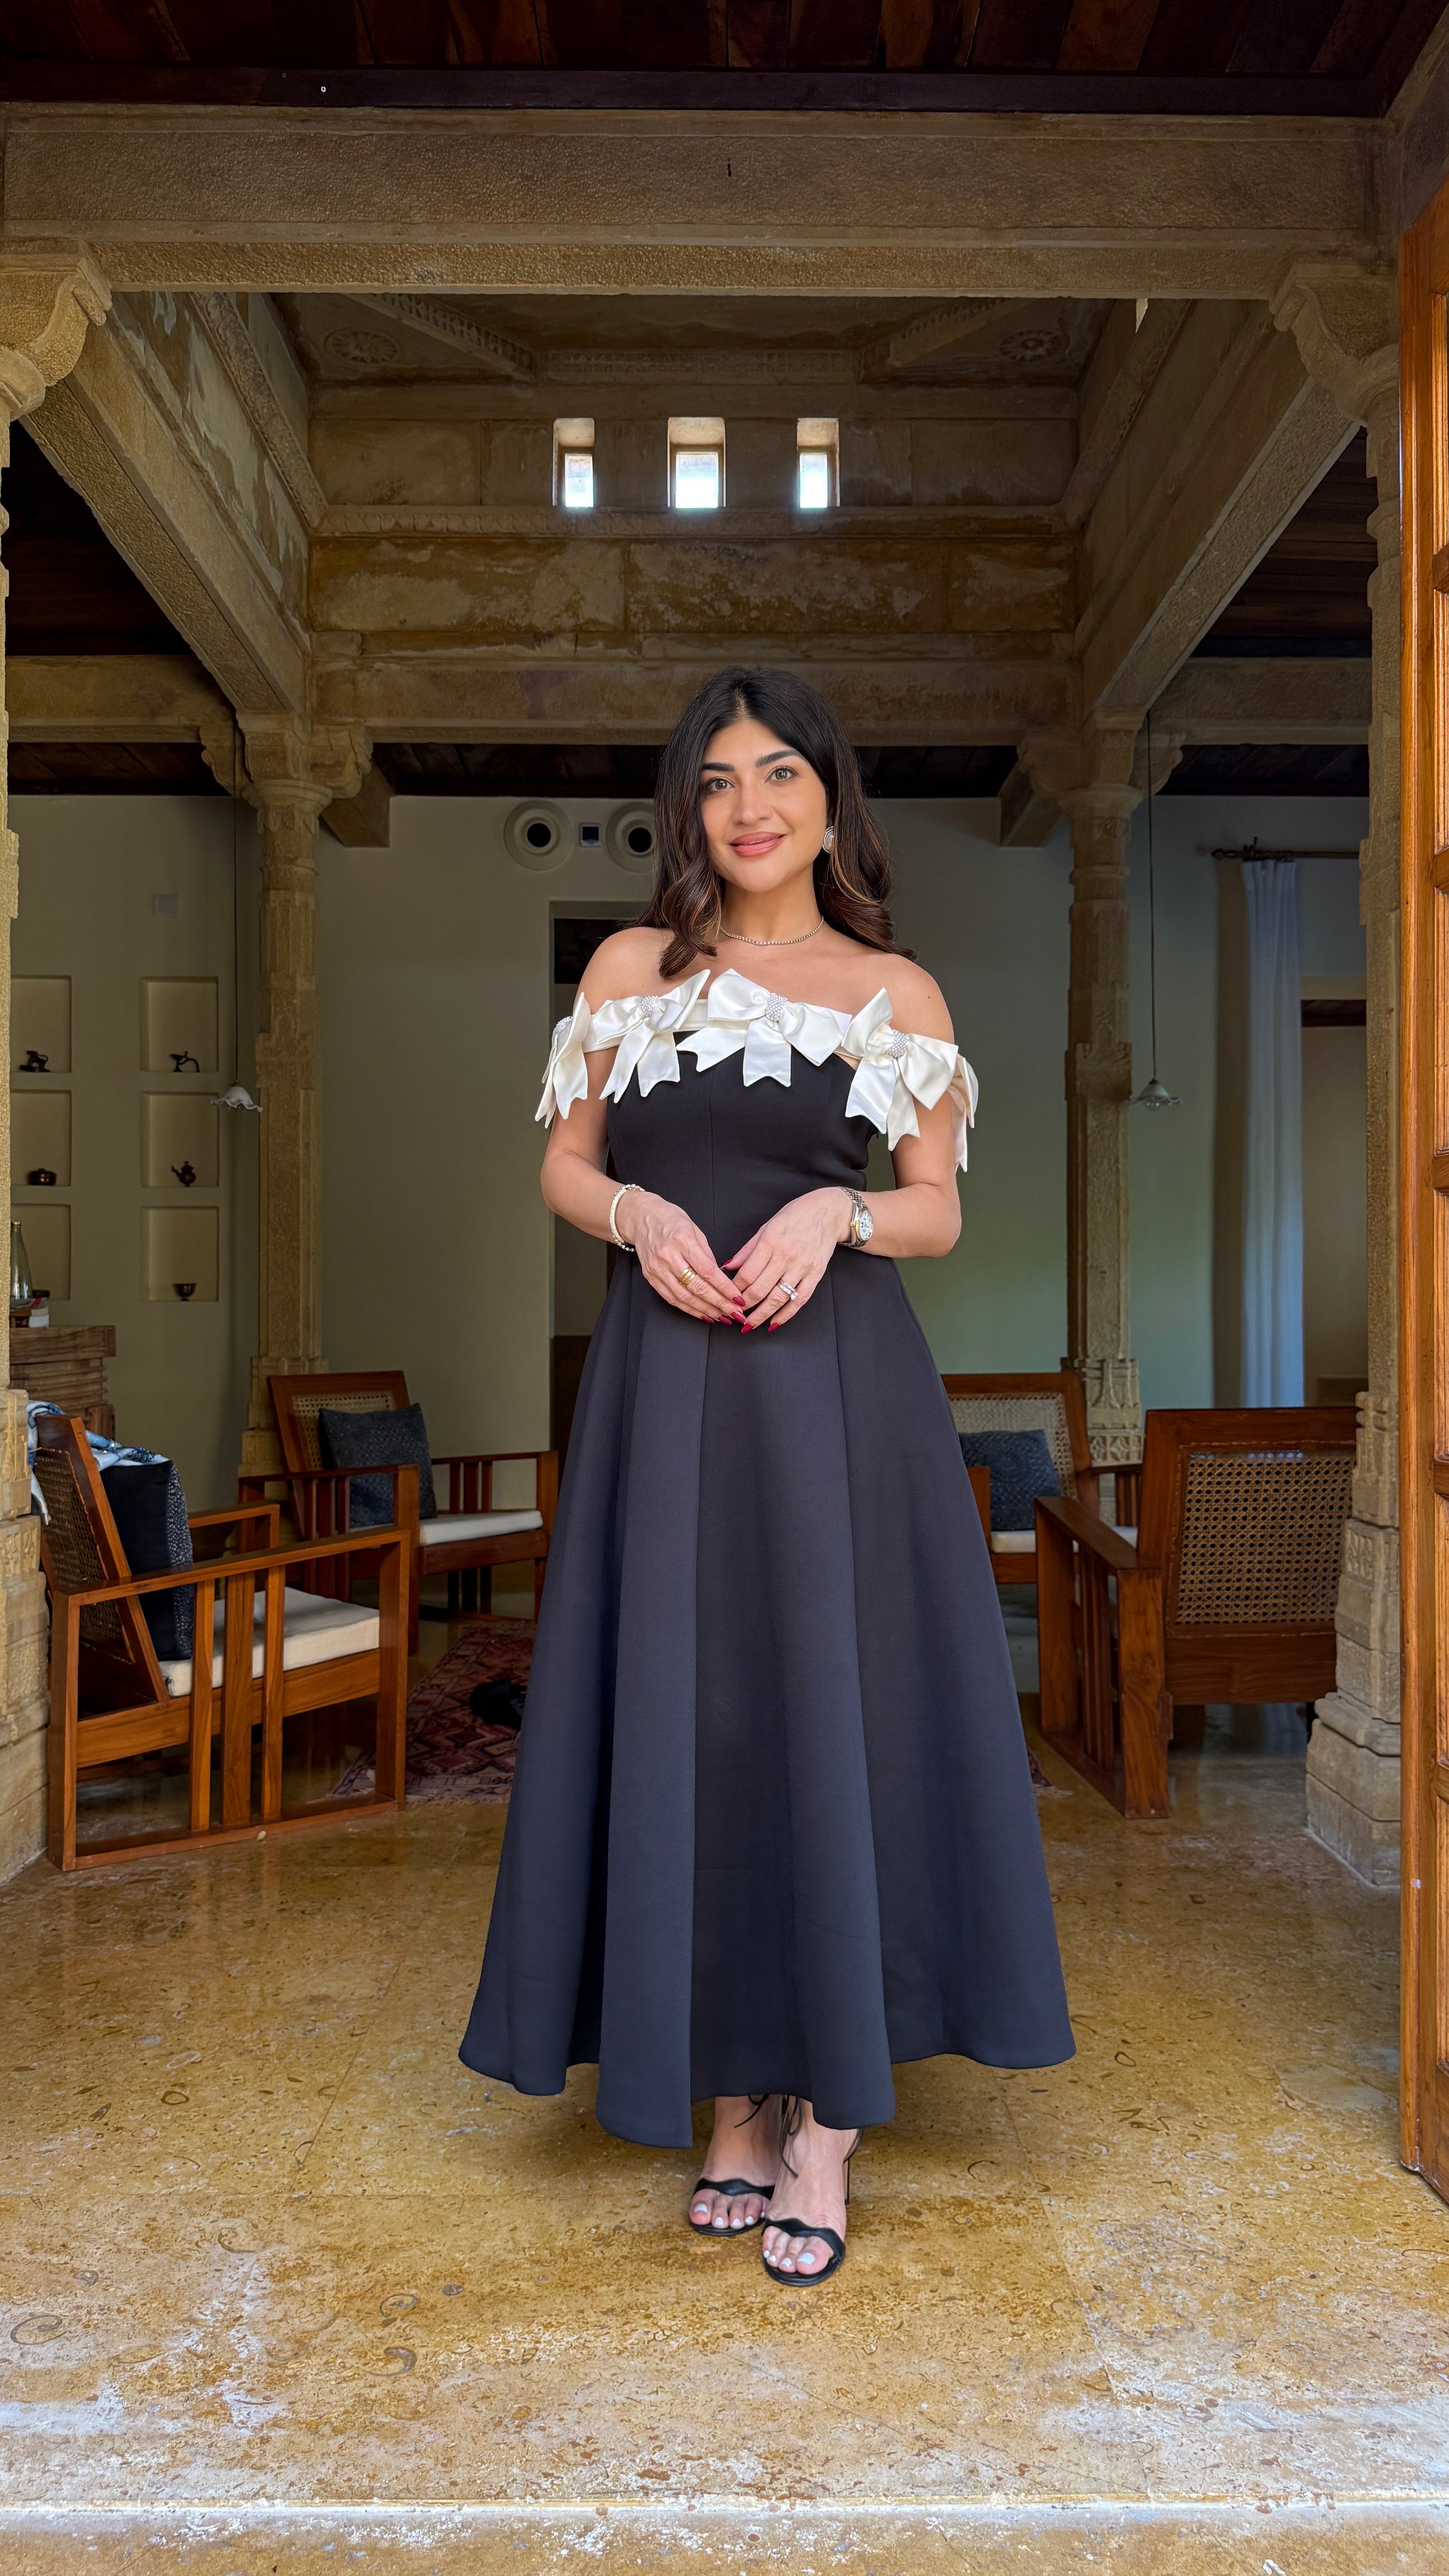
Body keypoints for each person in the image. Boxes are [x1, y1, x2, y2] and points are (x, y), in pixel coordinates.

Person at [460, 665, 1073, 2284]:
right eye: (720, 778)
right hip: (661, 1387)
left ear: (828, 799)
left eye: (781, 773)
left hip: (835, 1397)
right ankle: (735, 2096)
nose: (751, 806)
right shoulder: (627, 970)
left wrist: (836, 1212)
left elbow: (936, 1206)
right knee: (701, 1716)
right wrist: (634, 1215)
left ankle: (828, 2127)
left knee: (831, 1711)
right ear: (688, 807)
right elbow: (563, 1163)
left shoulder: (896, 989)